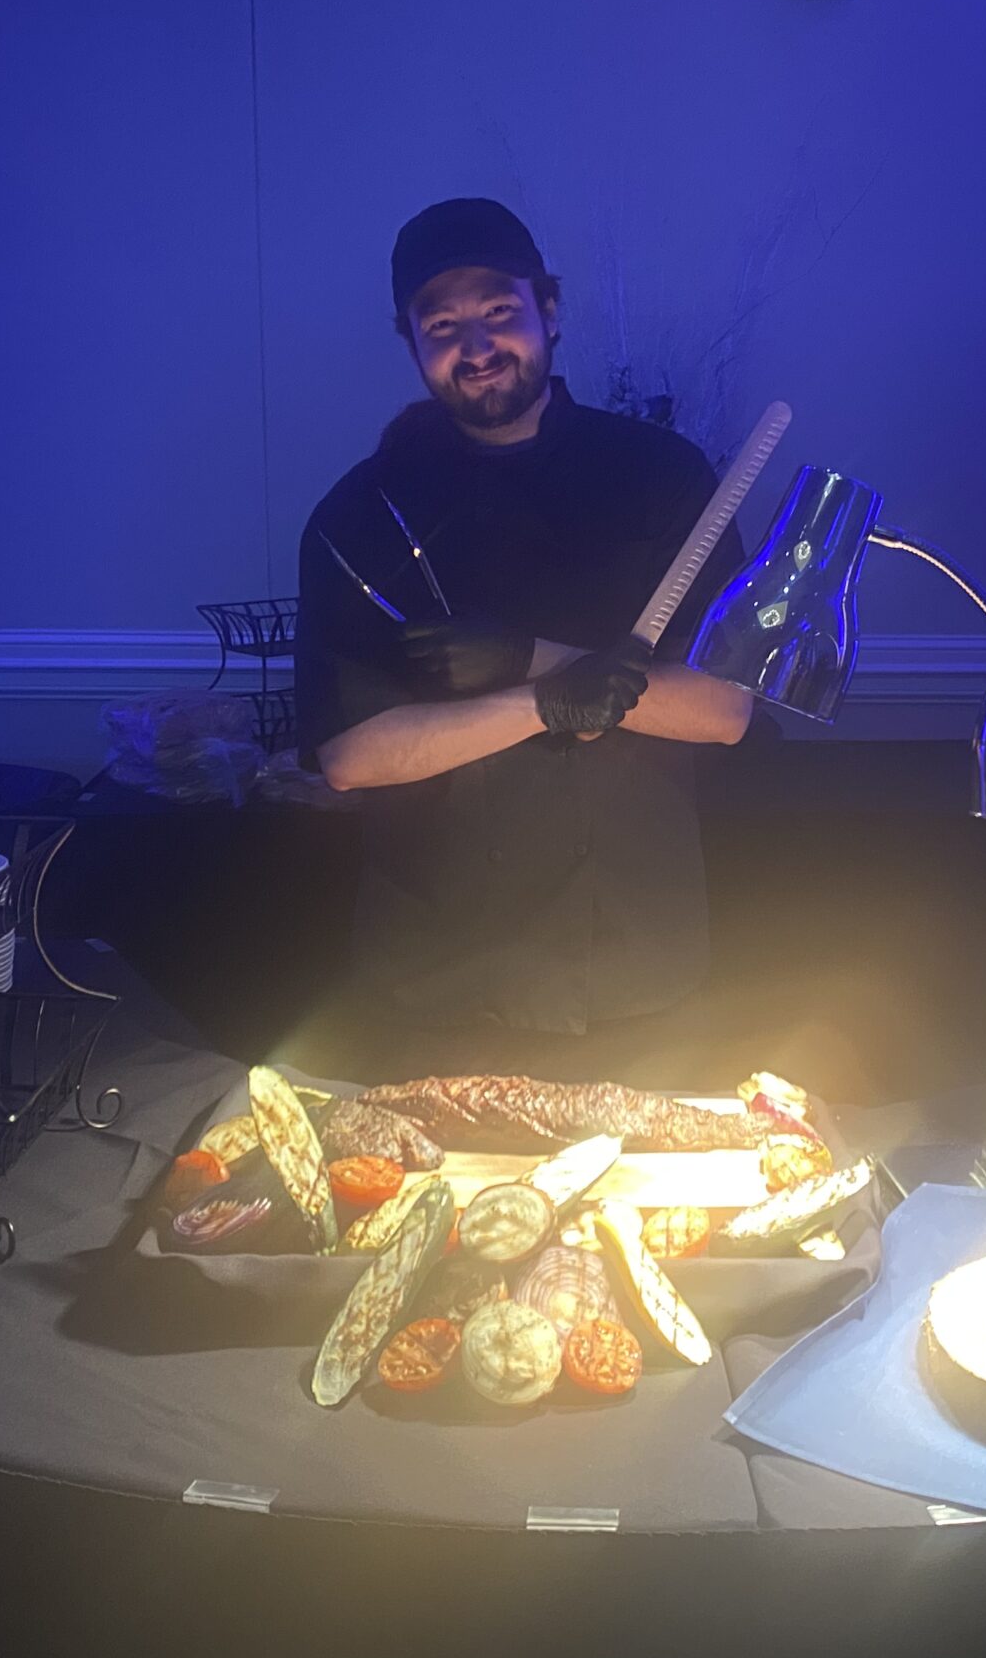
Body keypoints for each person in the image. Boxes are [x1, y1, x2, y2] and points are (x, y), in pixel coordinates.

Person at [294, 198, 753, 1079]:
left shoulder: (661, 477)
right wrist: (543, 700)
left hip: (639, 967)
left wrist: (527, 660)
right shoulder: (361, 515)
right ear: (410, 340)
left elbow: (723, 711)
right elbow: (352, 757)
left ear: (548, 309)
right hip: (440, 982)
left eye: (499, 311)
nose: (476, 346)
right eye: (442, 325)